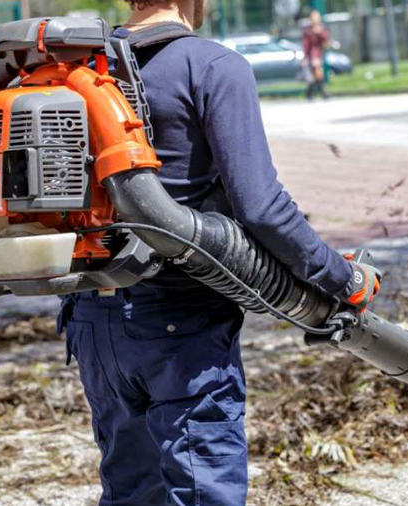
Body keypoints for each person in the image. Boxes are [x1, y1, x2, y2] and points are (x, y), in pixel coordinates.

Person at [56, 1, 380, 505]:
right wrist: (341, 277)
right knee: (204, 491)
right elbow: (263, 208)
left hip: (92, 317)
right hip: (179, 323)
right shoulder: (210, 65)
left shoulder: (77, 70)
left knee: (131, 491)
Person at [301, 10, 330, 100]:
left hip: (319, 54)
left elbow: (326, 41)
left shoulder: (321, 29)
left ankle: (309, 93)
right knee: (317, 72)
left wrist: (320, 32)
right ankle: (322, 93)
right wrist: (305, 57)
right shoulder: (308, 31)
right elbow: (306, 45)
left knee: (314, 75)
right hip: (312, 55)